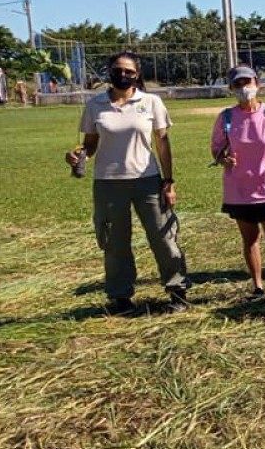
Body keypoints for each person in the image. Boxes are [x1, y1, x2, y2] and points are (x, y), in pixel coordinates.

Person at [65, 51, 190, 315]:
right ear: (109, 71)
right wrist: (78, 154)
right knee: (114, 242)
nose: (123, 75)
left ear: (137, 74)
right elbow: (90, 144)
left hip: (148, 181)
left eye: (129, 71)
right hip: (108, 184)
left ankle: (177, 290)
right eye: (118, 70)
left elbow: (162, 143)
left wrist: (169, 181)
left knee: (163, 237)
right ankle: (120, 297)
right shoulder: (95, 104)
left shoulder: (151, 102)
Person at [211, 65, 265, 299]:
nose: (243, 88)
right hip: (239, 189)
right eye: (237, 84)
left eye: (247, 82)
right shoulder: (226, 117)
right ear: (231, 88)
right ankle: (258, 286)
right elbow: (216, 148)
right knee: (250, 239)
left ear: (257, 83)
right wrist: (223, 158)